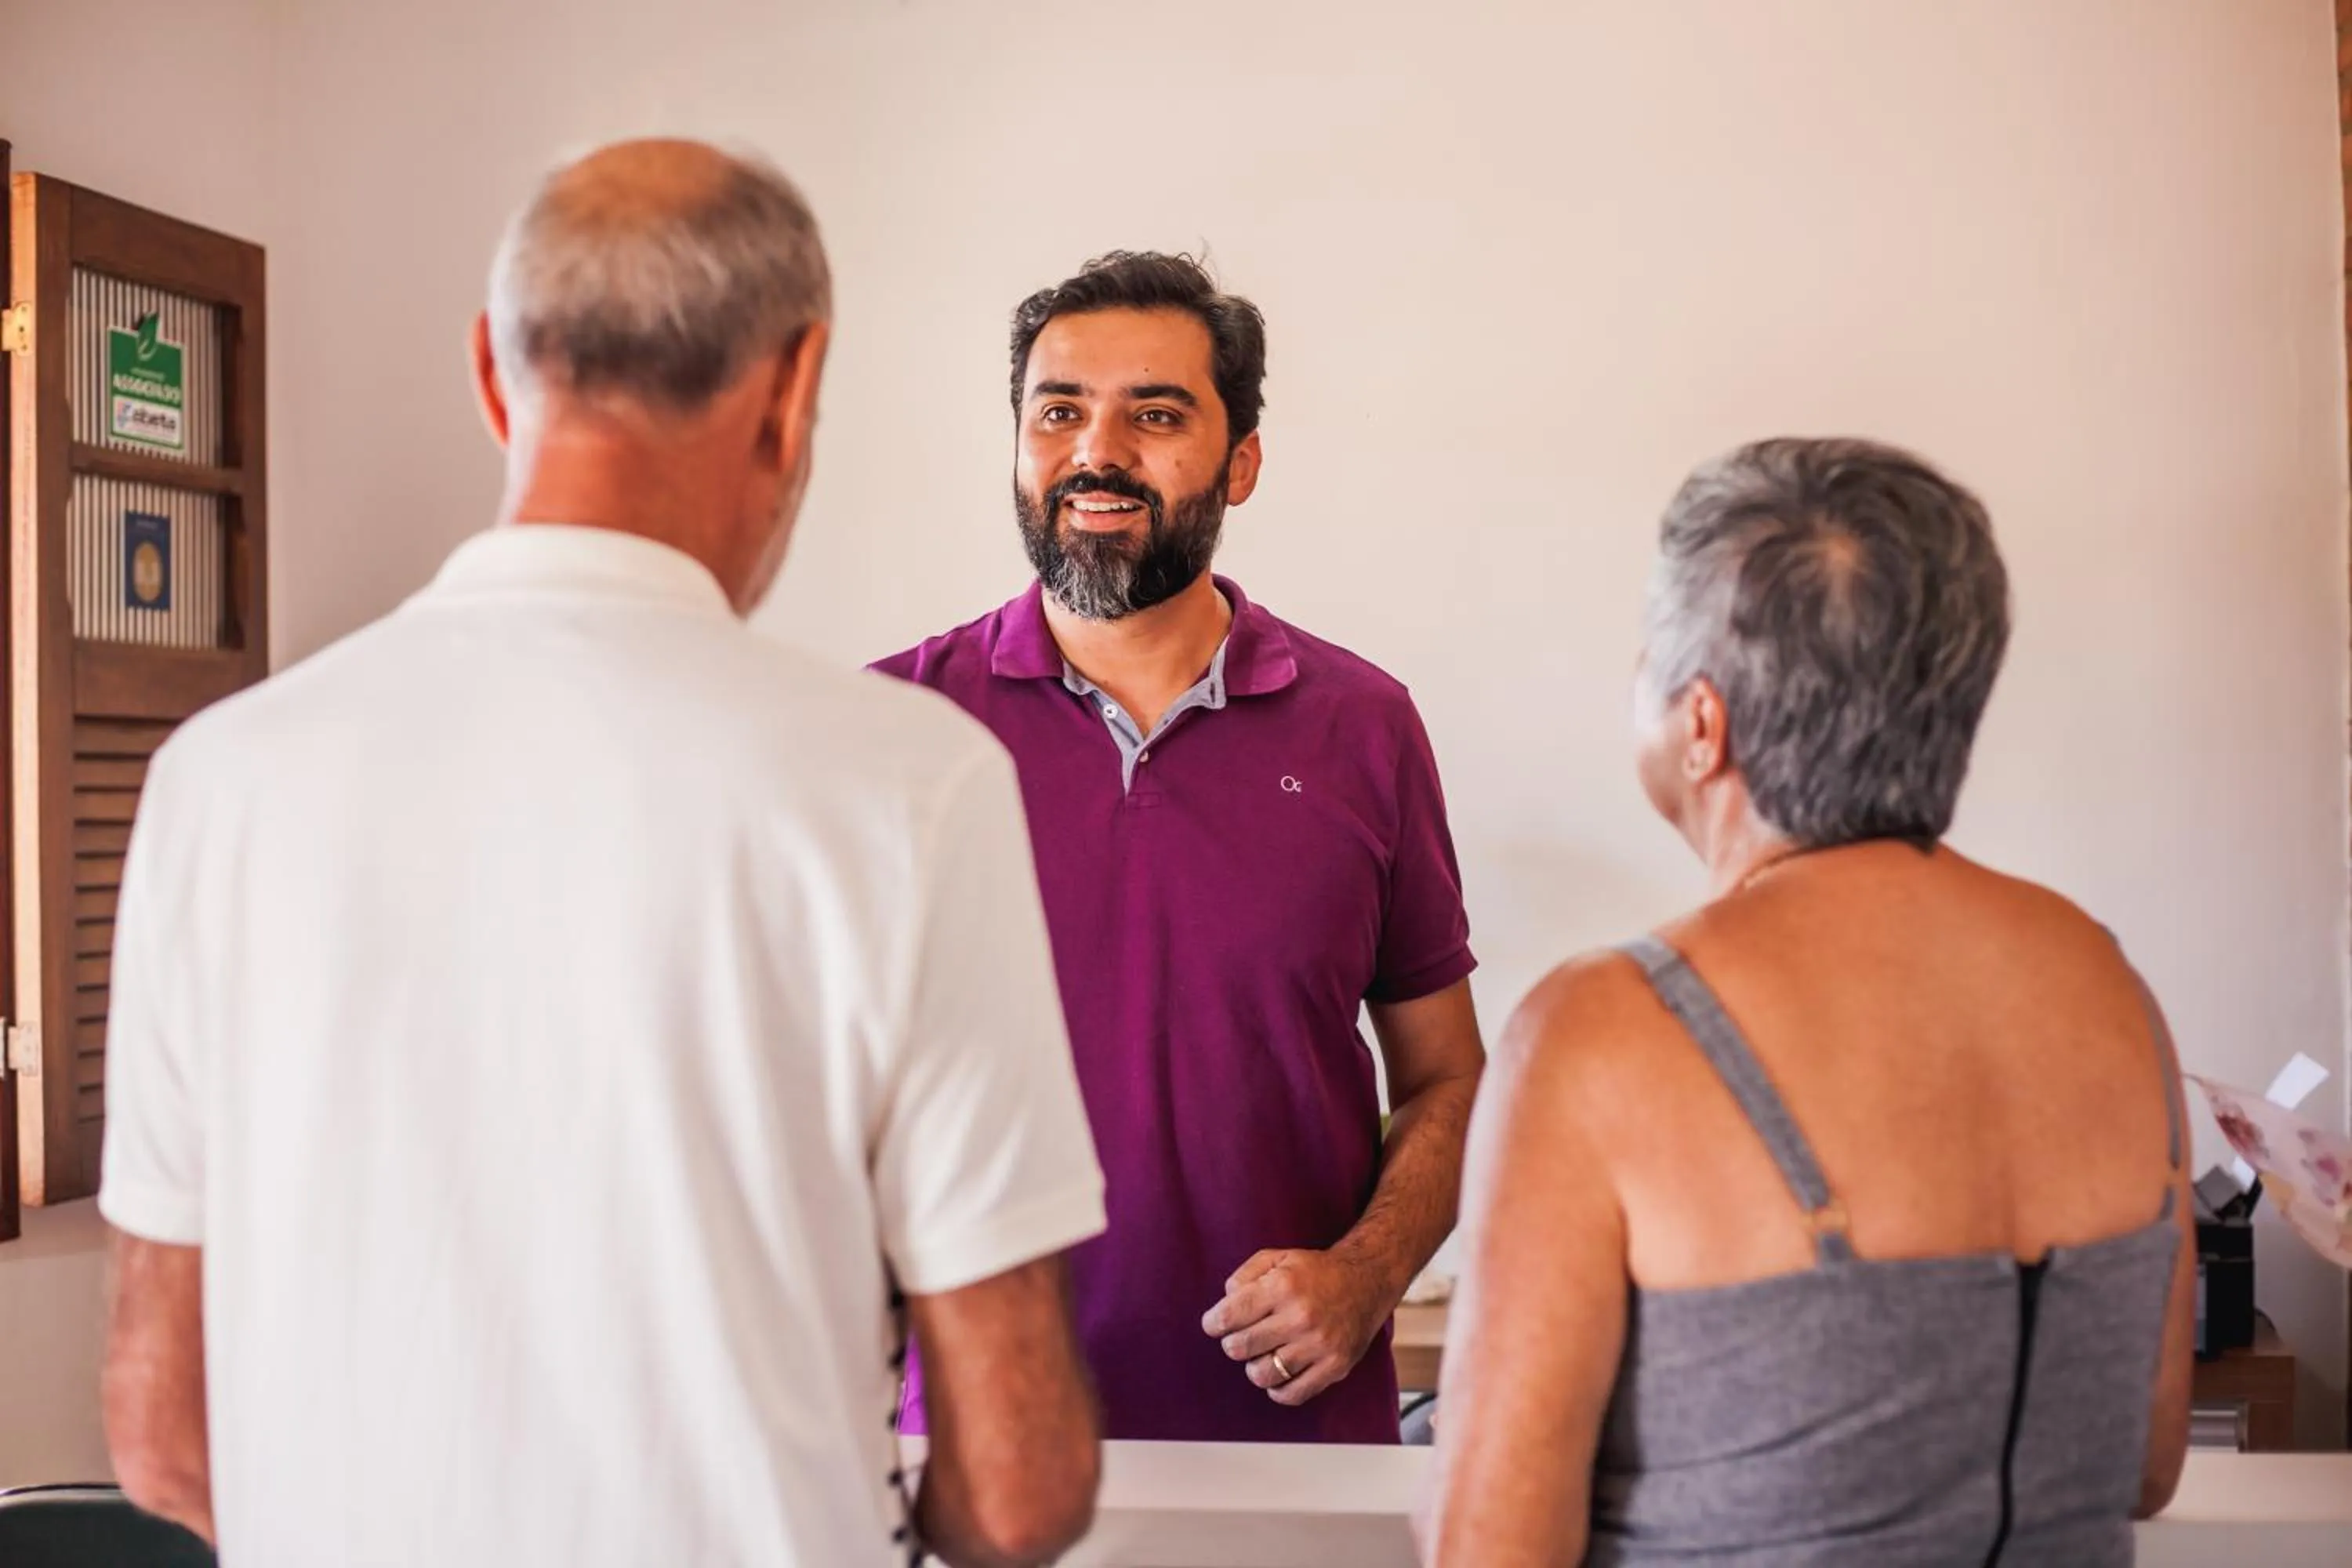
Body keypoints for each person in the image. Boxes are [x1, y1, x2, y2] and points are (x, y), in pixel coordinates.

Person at [97, 140, 1106, 1568]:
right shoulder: (906, 782)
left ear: (493, 375)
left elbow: (162, 1434)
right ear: (796, 388)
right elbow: (1017, 1491)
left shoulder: (219, 781)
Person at [1422, 437, 2194, 1566]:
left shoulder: (1602, 1033)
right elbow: (2143, 1463)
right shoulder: (2112, 991)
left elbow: (1486, 1547)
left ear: (1702, 724)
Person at [875, 252, 1486, 1444]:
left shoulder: (1364, 728)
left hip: (1294, 1448)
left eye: (1154, 414)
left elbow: (1447, 1079)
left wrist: (1368, 1275)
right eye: (1059, 412)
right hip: (973, 1451)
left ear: (1241, 462)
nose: (1097, 452)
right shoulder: (894, 730)